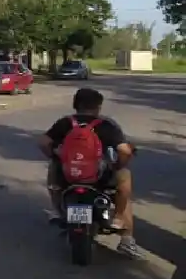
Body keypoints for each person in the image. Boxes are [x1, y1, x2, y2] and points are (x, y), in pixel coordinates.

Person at [38, 86, 140, 258]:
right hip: (98, 178)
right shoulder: (106, 125)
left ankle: (57, 209)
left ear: (75, 105)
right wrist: (117, 165)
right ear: (98, 107)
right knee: (124, 179)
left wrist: (55, 155)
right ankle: (125, 236)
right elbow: (124, 151)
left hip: (68, 177)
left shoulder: (65, 123)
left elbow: (43, 142)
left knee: (54, 168)